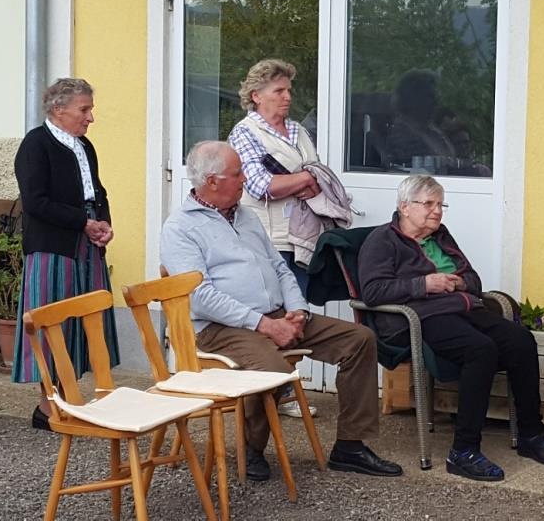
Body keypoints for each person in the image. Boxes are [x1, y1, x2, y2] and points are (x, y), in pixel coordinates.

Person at [160, 140, 403, 481]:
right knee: (272, 369)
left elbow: (279, 267)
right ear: (212, 181)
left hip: (276, 315)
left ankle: (350, 446)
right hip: (221, 329)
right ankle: (251, 448)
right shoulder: (180, 228)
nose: (245, 179)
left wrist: (297, 310)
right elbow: (200, 297)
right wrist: (263, 324)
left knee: (359, 339)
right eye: (237, 173)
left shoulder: (246, 216)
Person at [358, 175, 544, 482]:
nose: (437, 211)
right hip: (423, 316)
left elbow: (474, 281)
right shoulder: (382, 241)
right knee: (480, 350)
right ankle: (463, 451)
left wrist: (459, 283)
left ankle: (530, 435)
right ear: (405, 207)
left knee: (521, 340)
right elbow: (373, 292)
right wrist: (425, 284)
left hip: (464, 308)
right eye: (429, 204)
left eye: (441, 204)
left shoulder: (441, 236)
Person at [12, 78, 119, 431]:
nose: (90, 118)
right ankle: (48, 408)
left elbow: (97, 192)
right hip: (52, 248)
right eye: (84, 110)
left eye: (90, 109)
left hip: (86, 245)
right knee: (52, 324)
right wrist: (83, 223)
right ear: (59, 109)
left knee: (85, 323)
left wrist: (104, 224)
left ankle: (73, 399)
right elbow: (35, 202)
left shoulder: (84, 146)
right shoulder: (36, 144)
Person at [229, 59, 325, 419]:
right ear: (256, 95)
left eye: (289, 90)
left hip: (302, 236)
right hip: (267, 237)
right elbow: (260, 185)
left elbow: (318, 175)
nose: (288, 97)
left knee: (296, 313)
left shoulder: (298, 131)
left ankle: (282, 391)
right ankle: (268, 394)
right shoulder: (245, 132)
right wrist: (304, 179)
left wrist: (301, 180)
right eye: (279, 91)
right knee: (271, 315)